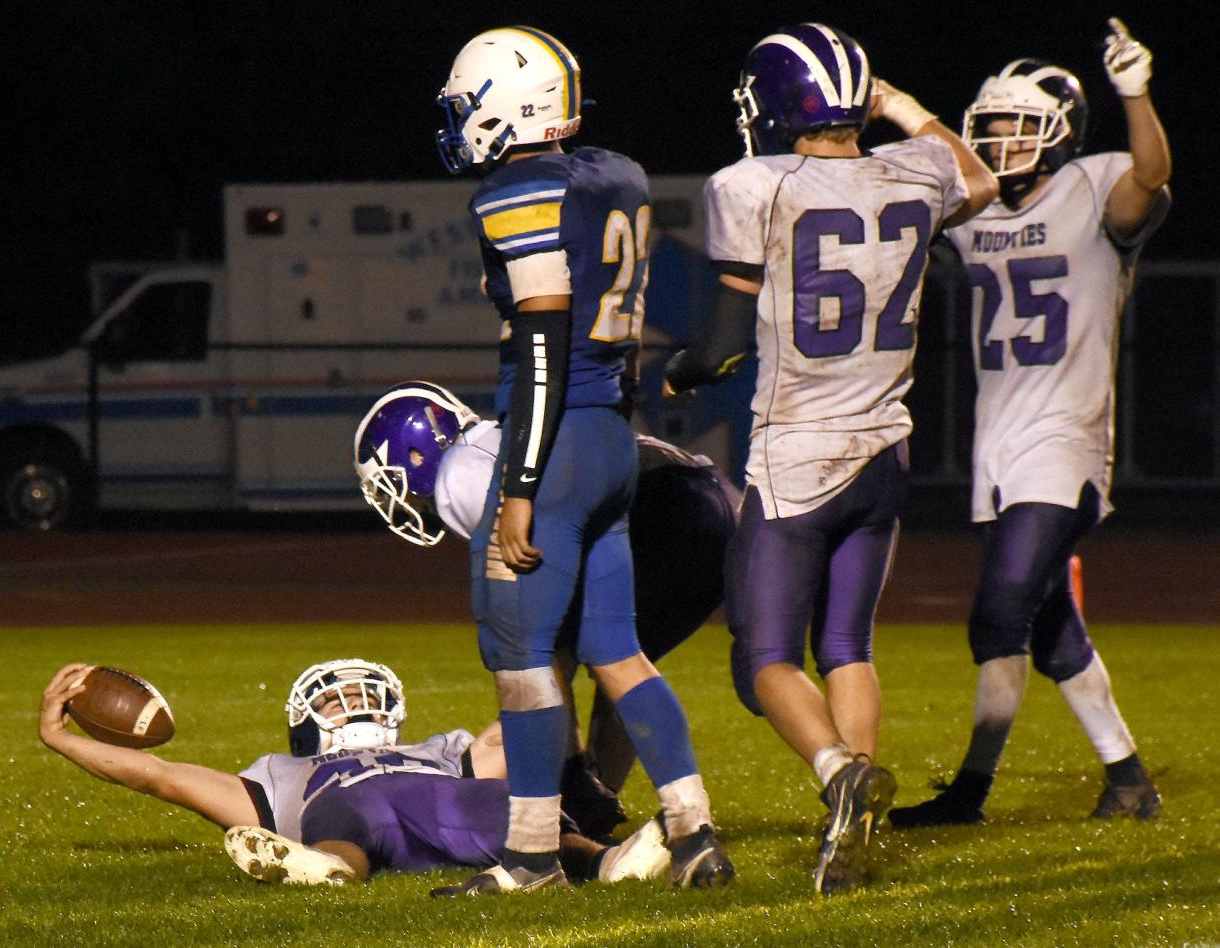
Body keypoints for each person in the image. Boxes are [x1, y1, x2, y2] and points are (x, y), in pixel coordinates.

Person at [663, 23, 997, 893]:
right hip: (886, 446)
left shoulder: (749, 183)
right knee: (846, 643)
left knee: (763, 658)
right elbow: (982, 179)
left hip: (798, 457)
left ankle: (840, 776)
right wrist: (902, 106)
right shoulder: (917, 169)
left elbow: (725, 344)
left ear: (777, 105)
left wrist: (677, 373)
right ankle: (854, 828)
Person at [432, 27, 733, 895]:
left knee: (518, 654)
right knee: (618, 651)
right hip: (610, 437)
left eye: (468, 103)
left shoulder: (517, 190)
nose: (460, 123)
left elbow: (540, 344)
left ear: (506, 105)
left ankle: (529, 860)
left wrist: (519, 486)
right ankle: (694, 831)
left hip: (555, 441)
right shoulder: (617, 174)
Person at [888, 19, 1170, 829]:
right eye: (993, 125)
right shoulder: (972, 212)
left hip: (1068, 441)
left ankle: (970, 795)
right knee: (1050, 633)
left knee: (1000, 607)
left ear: (1058, 133)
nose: (1002, 139)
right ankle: (1129, 780)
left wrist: (1134, 93)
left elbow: (1149, 175)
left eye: (1018, 124)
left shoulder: (1091, 185)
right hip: (996, 446)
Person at [354, 381, 741, 833]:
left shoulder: (458, 477)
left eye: (390, 482)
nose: (400, 501)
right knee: (619, 661)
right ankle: (616, 805)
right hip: (712, 503)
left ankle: (572, 798)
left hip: (663, 504)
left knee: (535, 641)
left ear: (415, 452)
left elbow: (532, 596)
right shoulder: (495, 439)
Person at [38, 659, 671, 886]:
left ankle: (604, 861)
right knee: (344, 816)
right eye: (336, 697)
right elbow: (160, 775)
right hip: (343, 810)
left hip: (440, 797)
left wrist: (553, 652)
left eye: (362, 693)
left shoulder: (443, 749)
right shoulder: (280, 773)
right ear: (304, 718)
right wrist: (60, 738)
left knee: (510, 806)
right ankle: (329, 870)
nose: (353, 704)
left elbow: (524, 728)